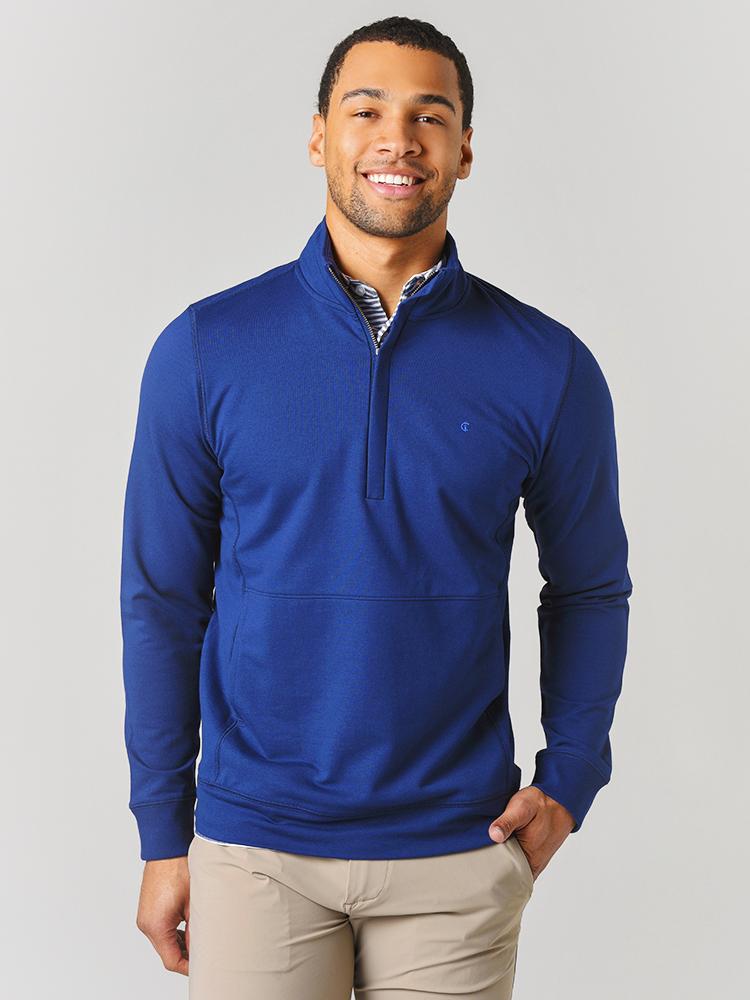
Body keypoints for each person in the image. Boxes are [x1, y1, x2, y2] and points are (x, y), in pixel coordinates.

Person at [120, 15, 633, 1000]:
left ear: (465, 149)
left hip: (456, 848)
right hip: (255, 846)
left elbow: (589, 588)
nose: (398, 139)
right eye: (367, 111)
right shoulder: (206, 349)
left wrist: (570, 778)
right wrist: (159, 830)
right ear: (320, 136)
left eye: (430, 116)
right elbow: (162, 600)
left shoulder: (547, 365)